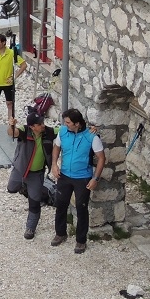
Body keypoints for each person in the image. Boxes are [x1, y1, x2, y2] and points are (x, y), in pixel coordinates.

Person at [50, 108, 105, 254]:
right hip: (64, 176)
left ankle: (81, 241)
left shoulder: (92, 137)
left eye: (68, 122)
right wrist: (54, 165)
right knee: (60, 204)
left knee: (81, 208)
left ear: (77, 123)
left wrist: (95, 178)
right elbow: (56, 147)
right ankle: (60, 233)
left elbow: (101, 158)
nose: (65, 124)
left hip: (83, 178)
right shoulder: (63, 132)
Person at [7, 112, 56, 240]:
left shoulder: (48, 132)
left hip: (37, 173)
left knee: (34, 202)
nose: (43, 125)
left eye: (42, 122)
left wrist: (86, 129)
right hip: (20, 170)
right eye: (39, 124)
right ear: (32, 126)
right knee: (11, 189)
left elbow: (65, 130)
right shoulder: (24, 130)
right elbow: (13, 133)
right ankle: (27, 188)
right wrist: (11, 126)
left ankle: (30, 228)